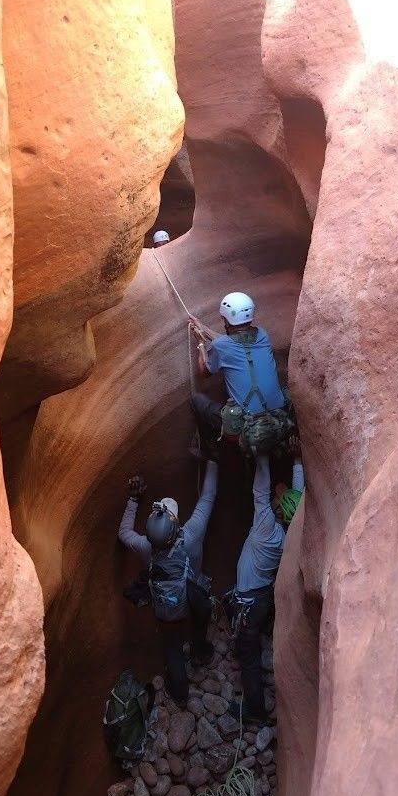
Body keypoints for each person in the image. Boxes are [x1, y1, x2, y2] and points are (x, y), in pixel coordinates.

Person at [118, 459, 218, 705]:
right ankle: (199, 651)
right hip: (192, 599)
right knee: (200, 618)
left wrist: (132, 500)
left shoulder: (144, 547)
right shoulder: (191, 536)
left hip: (167, 610)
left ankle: (181, 696)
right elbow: (208, 497)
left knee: (172, 648)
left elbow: (123, 534)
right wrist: (213, 460)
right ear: (175, 525)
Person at [227, 436, 304, 724]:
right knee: (253, 636)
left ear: (278, 510)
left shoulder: (263, 529)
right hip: (262, 600)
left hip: (249, 603)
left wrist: (260, 452)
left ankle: (255, 711)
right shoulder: (290, 536)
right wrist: (296, 461)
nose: (277, 491)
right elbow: (299, 499)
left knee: (248, 655)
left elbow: (260, 492)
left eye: (280, 496)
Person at [189, 291, 287, 448]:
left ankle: (211, 448)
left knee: (197, 400)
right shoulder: (262, 335)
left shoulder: (221, 346)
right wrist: (204, 329)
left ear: (226, 319)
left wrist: (201, 344)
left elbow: (205, 372)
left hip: (247, 426)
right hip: (278, 419)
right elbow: (232, 343)